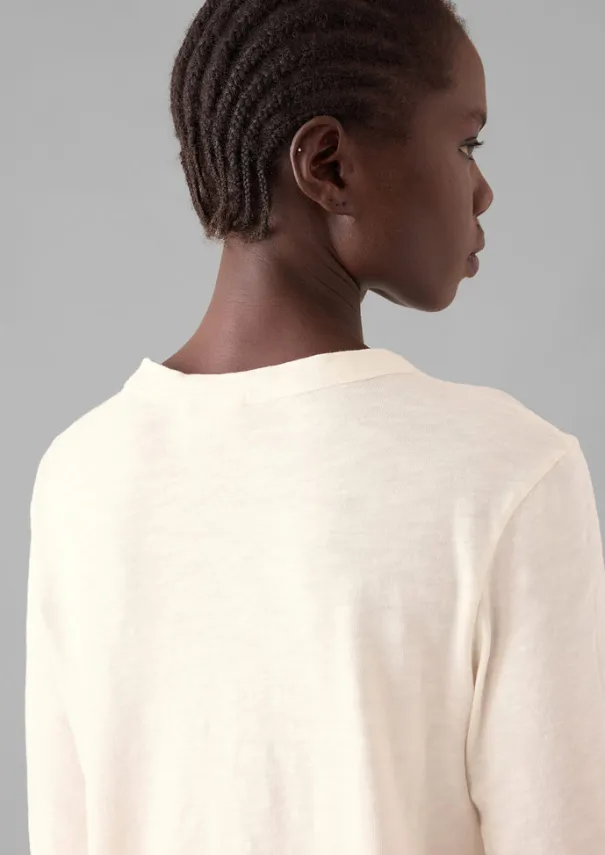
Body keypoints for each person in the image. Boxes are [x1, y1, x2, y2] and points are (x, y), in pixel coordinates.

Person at [25, 1, 605, 854]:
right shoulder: (510, 472)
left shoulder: (82, 473)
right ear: (328, 165)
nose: (482, 188)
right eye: (465, 143)